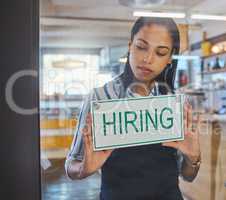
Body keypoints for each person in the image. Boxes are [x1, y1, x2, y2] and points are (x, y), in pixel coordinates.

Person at [65, 17, 201, 200]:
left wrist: (193, 158)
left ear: (170, 58)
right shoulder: (100, 98)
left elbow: (187, 176)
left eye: (160, 52)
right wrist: (83, 169)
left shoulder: (174, 103)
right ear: (130, 46)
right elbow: (71, 165)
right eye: (141, 46)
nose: (148, 59)